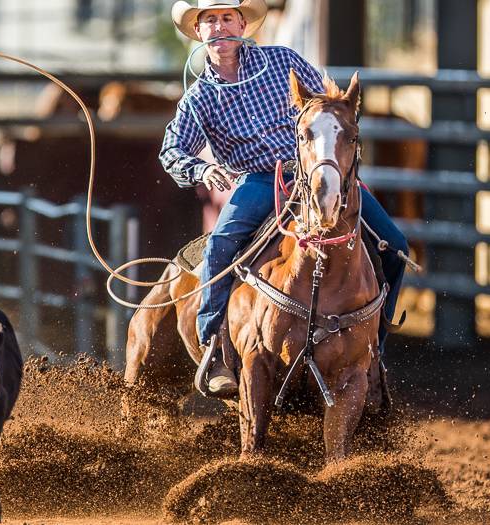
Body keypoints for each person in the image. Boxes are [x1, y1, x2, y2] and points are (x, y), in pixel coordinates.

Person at [159, 0, 409, 397]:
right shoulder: (200, 97)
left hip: (316, 171)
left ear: (243, 24)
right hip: (260, 180)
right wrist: (202, 169)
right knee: (221, 245)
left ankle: (373, 351)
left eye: (227, 18)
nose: (220, 27)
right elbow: (172, 151)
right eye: (210, 20)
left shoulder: (282, 62)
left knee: (395, 246)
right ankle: (215, 349)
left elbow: (328, 103)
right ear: (198, 31)